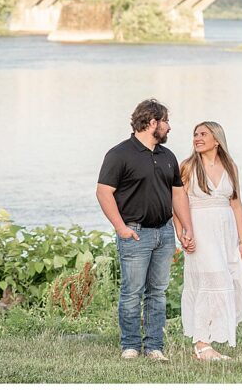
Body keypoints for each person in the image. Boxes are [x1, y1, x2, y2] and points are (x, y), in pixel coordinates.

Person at [96, 99, 196, 362]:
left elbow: (178, 194)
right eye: (165, 122)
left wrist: (186, 228)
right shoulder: (119, 154)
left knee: (158, 292)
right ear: (152, 122)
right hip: (135, 234)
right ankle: (130, 346)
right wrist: (121, 228)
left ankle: (154, 347)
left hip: (164, 234)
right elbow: (104, 193)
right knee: (132, 292)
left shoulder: (168, 156)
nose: (169, 127)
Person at [175, 121, 242, 361]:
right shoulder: (188, 167)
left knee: (236, 279)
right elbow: (177, 204)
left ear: (217, 139)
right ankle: (202, 345)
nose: (197, 138)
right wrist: (182, 233)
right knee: (210, 283)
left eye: (203, 134)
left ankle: (209, 337)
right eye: (195, 134)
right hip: (200, 232)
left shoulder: (230, 166)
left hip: (226, 234)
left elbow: (236, 204)